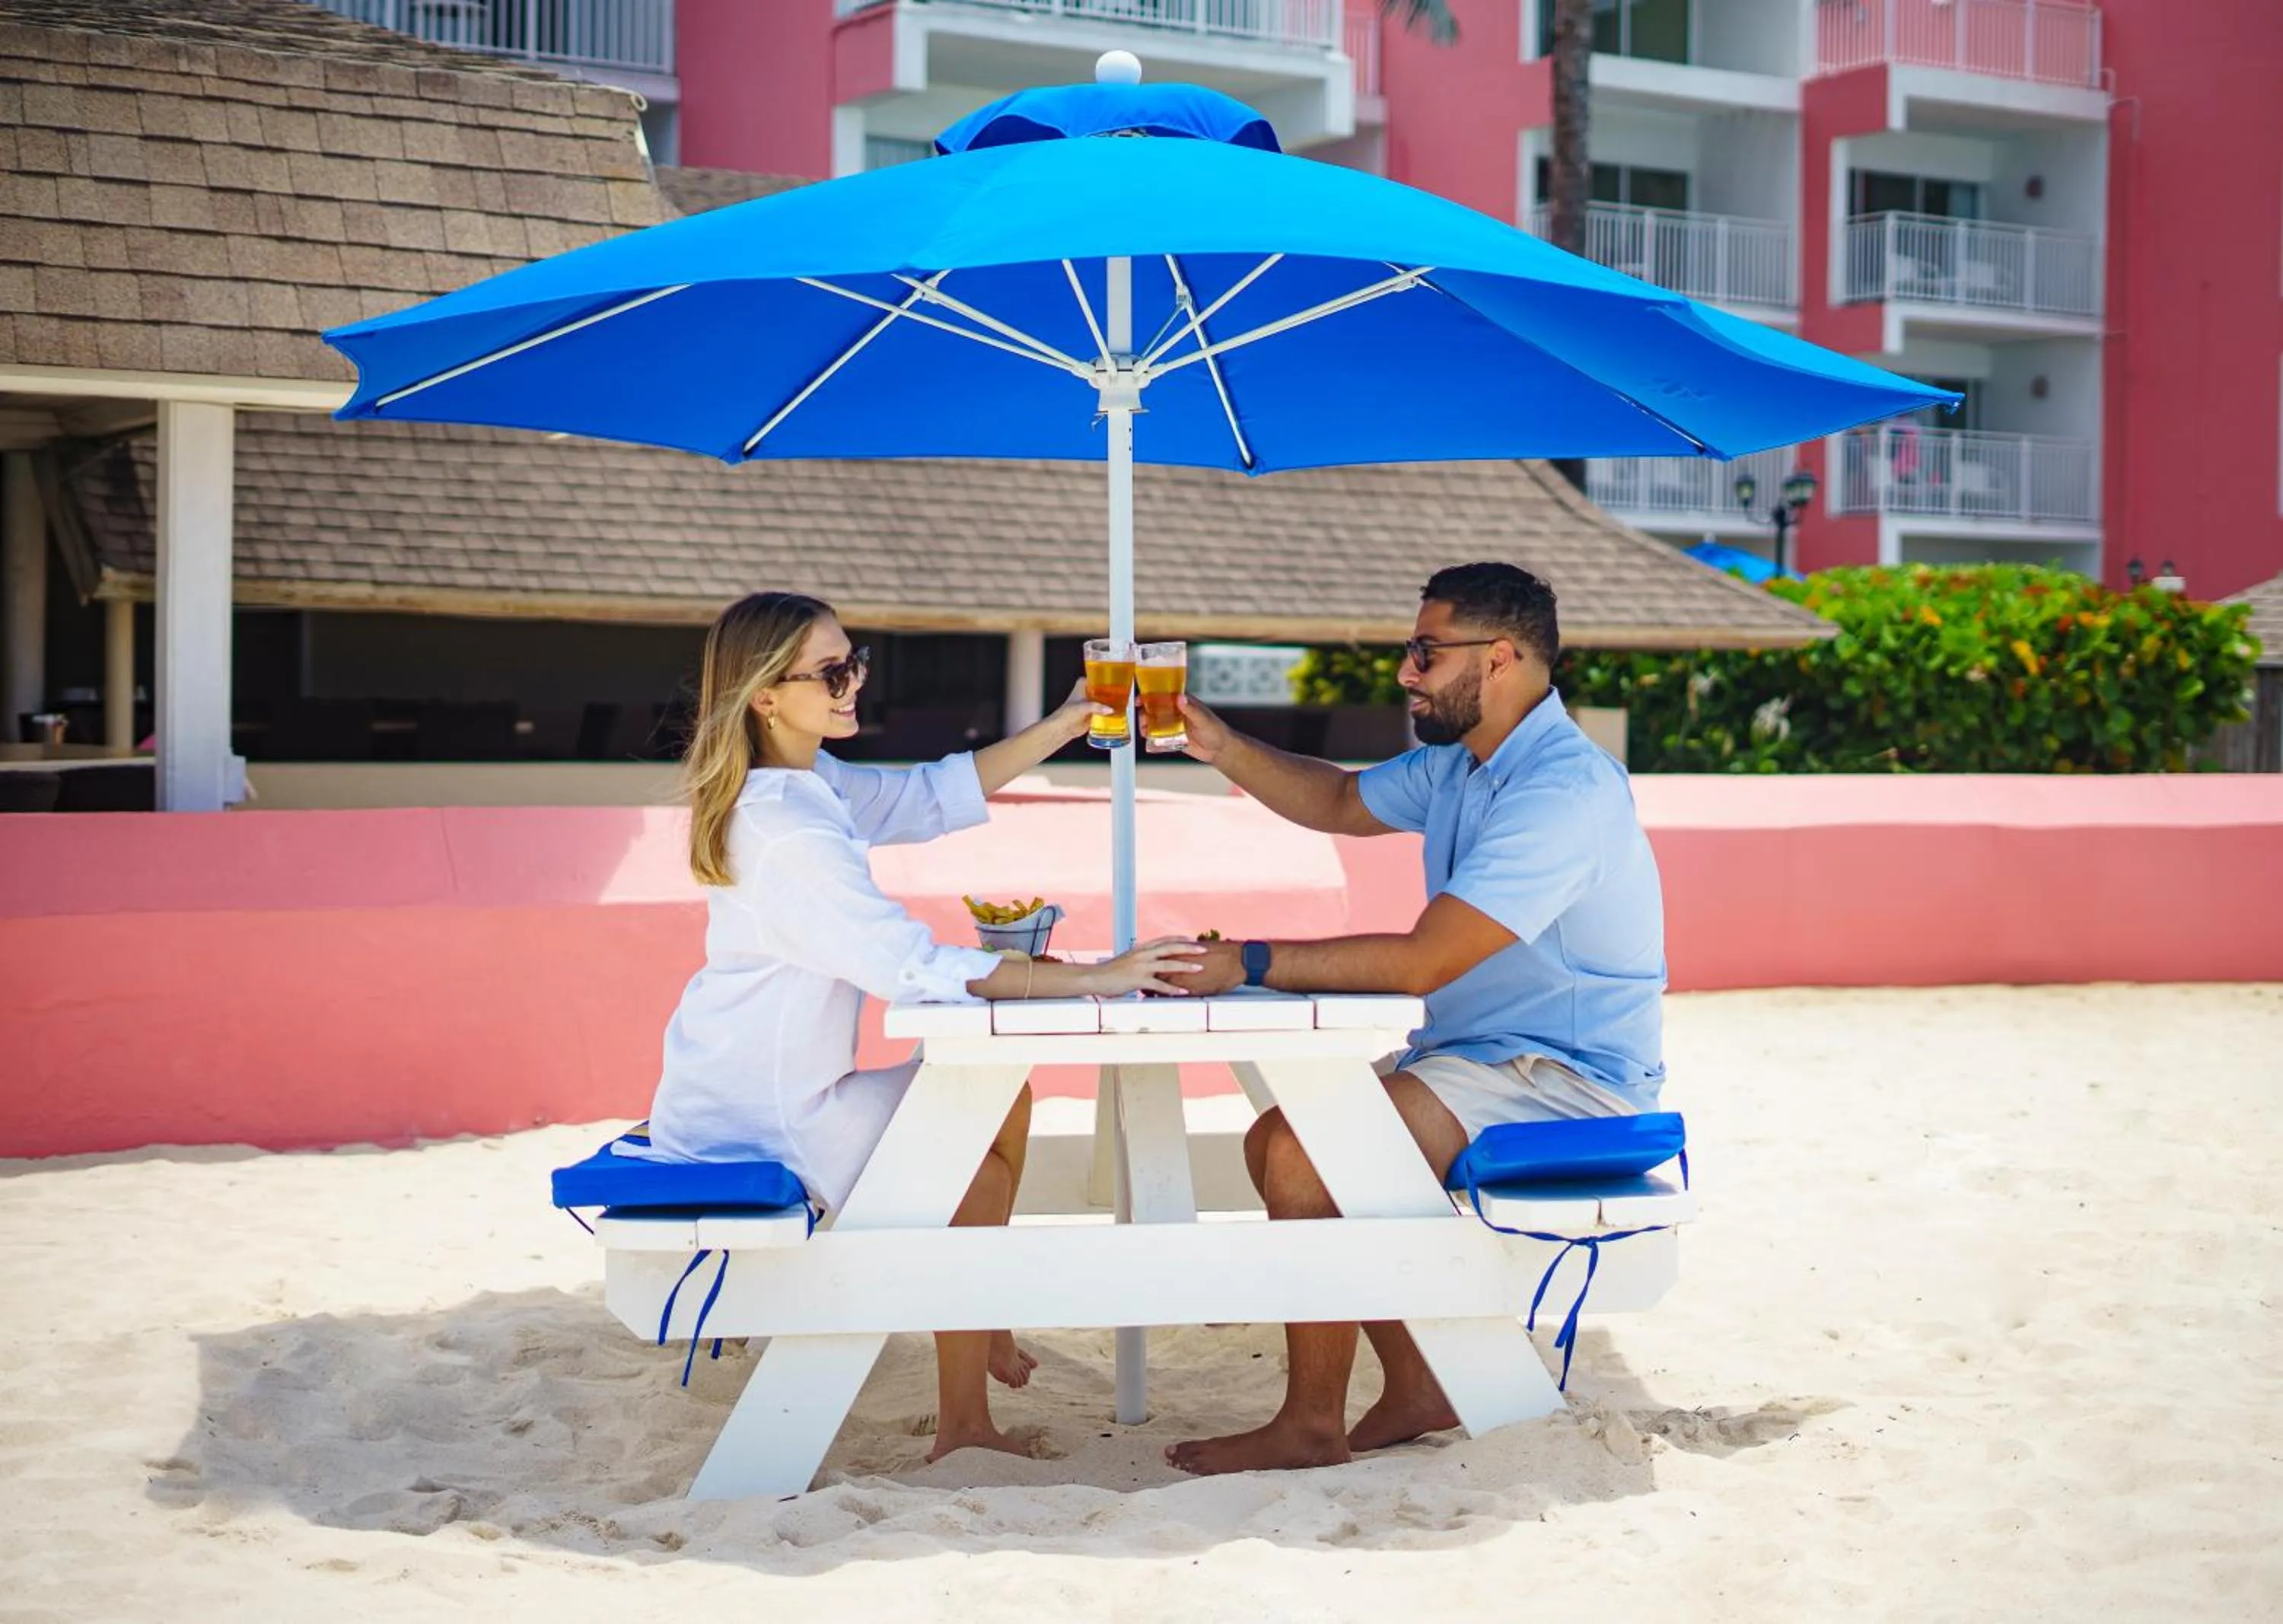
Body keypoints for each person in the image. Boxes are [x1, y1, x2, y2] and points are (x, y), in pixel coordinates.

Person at [641, 591, 1204, 1463]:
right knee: (964, 1156)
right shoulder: (785, 830)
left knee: (991, 1089)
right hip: (763, 1124)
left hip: (758, 1092)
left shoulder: (806, 784)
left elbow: (921, 797)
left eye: (853, 661)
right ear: (764, 696)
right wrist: (1098, 977)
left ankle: (983, 1320)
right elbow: (910, 966)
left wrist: (1066, 722)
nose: (851, 683)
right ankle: (965, 1418)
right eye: (830, 673)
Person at [1160, 562, 1667, 1476]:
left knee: (1302, 1151)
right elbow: (1342, 800)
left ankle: (1312, 1424)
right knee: (1282, 1142)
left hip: (1563, 1085)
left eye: (1427, 651)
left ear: (1501, 657)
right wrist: (1219, 742)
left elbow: (1426, 958)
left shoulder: (1561, 792)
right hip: (1482, 1061)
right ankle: (1420, 1382)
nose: (1407, 670)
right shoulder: (1464, 764)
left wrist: (1250, 961)